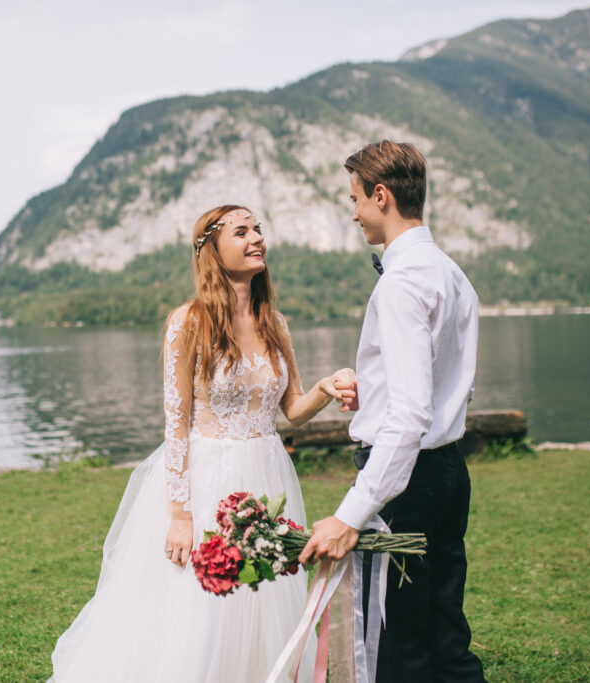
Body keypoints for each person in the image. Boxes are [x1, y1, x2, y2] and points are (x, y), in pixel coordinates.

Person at [48, 205, 355, 682]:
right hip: (211, 478)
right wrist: (180, 515)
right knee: (206, 609)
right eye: (242, 232)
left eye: (258, 230)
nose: (257, 238)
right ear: (212, 250)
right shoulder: (188, 321)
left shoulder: (274, 322)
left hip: (268, 476)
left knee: (263, 596)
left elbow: (292, 409)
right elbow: (176, 422)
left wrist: (326, 387)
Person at [298, 141, 485, 681]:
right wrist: (374, 395)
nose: (354, 213)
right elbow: (448, 382)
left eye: (355, 199)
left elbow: (408, 416)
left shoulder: (402, 283)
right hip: (448, 471)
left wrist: (349, 516)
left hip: (408, 486)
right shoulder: (451, 273)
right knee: (445, 633)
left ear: (381, 196)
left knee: (401, 647)